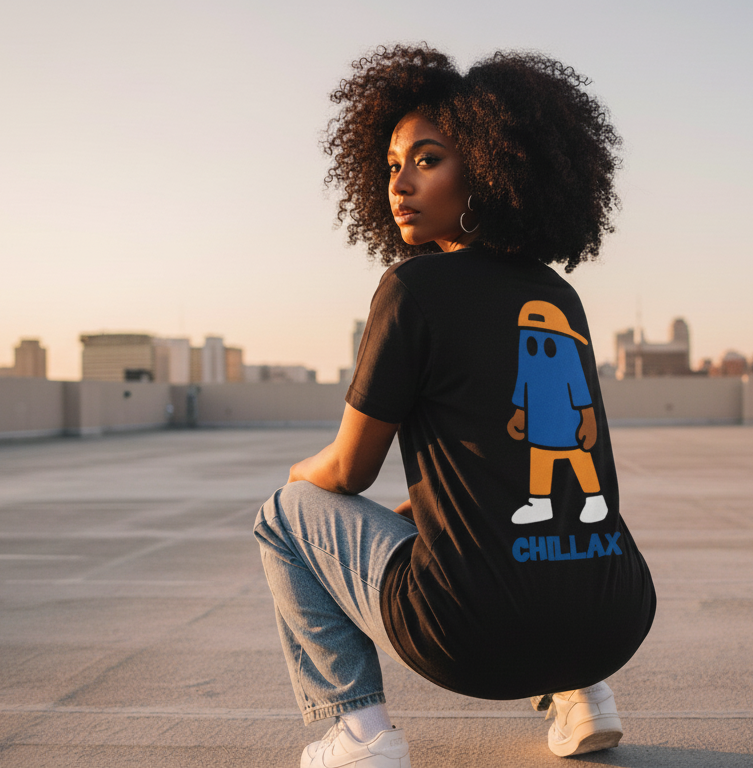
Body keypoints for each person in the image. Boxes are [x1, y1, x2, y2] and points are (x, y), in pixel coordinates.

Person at [254, 44, 656, 768]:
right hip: (615, 616)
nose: (400, 183)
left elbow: (348, 470)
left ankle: (361, 736)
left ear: (487, 168)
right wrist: (427, 509)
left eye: (427, 160)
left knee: (285, 515)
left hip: (473, 635)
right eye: (391, 166)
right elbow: (520, 452)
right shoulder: (556, 294)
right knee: (545, 510)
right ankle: (584, 694)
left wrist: (299, 474)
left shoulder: (414, 288)